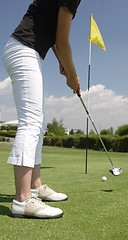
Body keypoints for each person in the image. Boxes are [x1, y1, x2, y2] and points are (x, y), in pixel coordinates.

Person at [2, 0, 81, 219]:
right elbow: (63, 42)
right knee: (31, 121)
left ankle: (35, 186)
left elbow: (56, 39)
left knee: (40, 122)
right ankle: (22, 199)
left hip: (25, 50)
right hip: (23, 49)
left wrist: (62, 62)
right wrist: (73, 76)